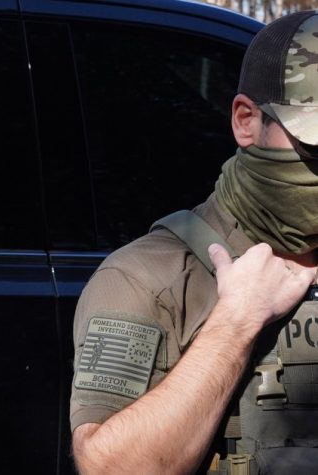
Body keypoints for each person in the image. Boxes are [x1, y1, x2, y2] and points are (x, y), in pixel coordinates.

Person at [70, 10, 318, 475]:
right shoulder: (151, 275)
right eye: (315, 145)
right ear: (246, 121)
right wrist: (236, 322)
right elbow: (112, 468)